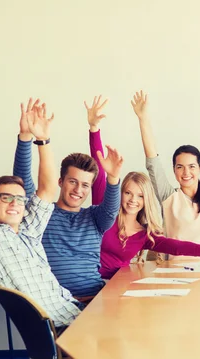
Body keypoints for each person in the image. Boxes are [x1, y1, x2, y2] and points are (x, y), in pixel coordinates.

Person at [0, 101, 81, 328]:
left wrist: (43, 140)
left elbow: (48, 188)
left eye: (20, 199)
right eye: (6, 197)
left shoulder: (28, 232)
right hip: (62, 328)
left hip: (74, 311)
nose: (15, 203)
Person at [13, 95, 123, 301]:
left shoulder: (96, 218)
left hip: (94, 300)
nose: (78, 190)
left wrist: (113, 177)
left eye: (85, 185)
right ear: (60, 181)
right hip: (56, 302)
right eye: (73, 182)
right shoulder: (41, 213)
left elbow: (110, 208)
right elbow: (22, 181)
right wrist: (25, 136)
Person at [137, 90, 200, 260]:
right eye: (180, 167)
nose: (186, 172)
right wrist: (143, 119)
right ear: (174, 170)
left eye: (192, 166)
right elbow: (152, 161)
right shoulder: (168, 196)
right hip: (175, 274)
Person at [98, 171, 200, 279]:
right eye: (128, 193)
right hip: (90, 282)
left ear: (146, 199)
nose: (133, 200)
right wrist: (94, 133)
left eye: (140, 196)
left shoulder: (145, 235)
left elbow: (176, 246)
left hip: (116, 285)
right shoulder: (105, 218)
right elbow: (99, 178)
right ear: (120, 194)